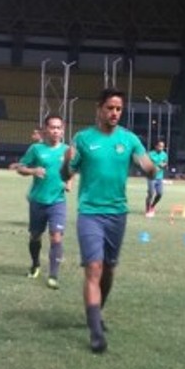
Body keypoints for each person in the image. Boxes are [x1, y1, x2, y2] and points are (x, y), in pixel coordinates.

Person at [62, 88, 155, 354]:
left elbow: (148, 165)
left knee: (109, 269)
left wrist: (150, 169)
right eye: (110, 108)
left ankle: (96, 312)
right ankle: (95, 332)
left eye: (118, 109)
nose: (114, 113)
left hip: (118, 213)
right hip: (90, 212)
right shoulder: (83, 139)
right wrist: (66, 163)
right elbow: (65, 173)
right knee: (93, 267)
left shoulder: (129, 139)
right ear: (99, 109)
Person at [16, 114, 69, 289]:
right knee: (35, 236)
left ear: (63, 130)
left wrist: (68, 182)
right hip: (38, 200)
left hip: (58, 201)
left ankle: (53, 275)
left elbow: (73, 169)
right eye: (52, 127)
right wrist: (32, 171)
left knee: (56, 236)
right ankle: (35, 264)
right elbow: (21, 168)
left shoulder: (68, 151)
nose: (56, 130)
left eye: (59, 127)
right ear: (45, 129)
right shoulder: (36, 149)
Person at [144, 139, 168, 217]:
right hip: (151, 177)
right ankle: (147, 209)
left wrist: (163, 165)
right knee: (151, 193)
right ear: (156, 146)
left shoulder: (164, 155)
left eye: (163, 146)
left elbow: (165, 163)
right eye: (160, 146)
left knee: (160, 194)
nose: (161, 148)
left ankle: (152, 206)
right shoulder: (150, 154)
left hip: (159, 178)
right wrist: (153, 168)